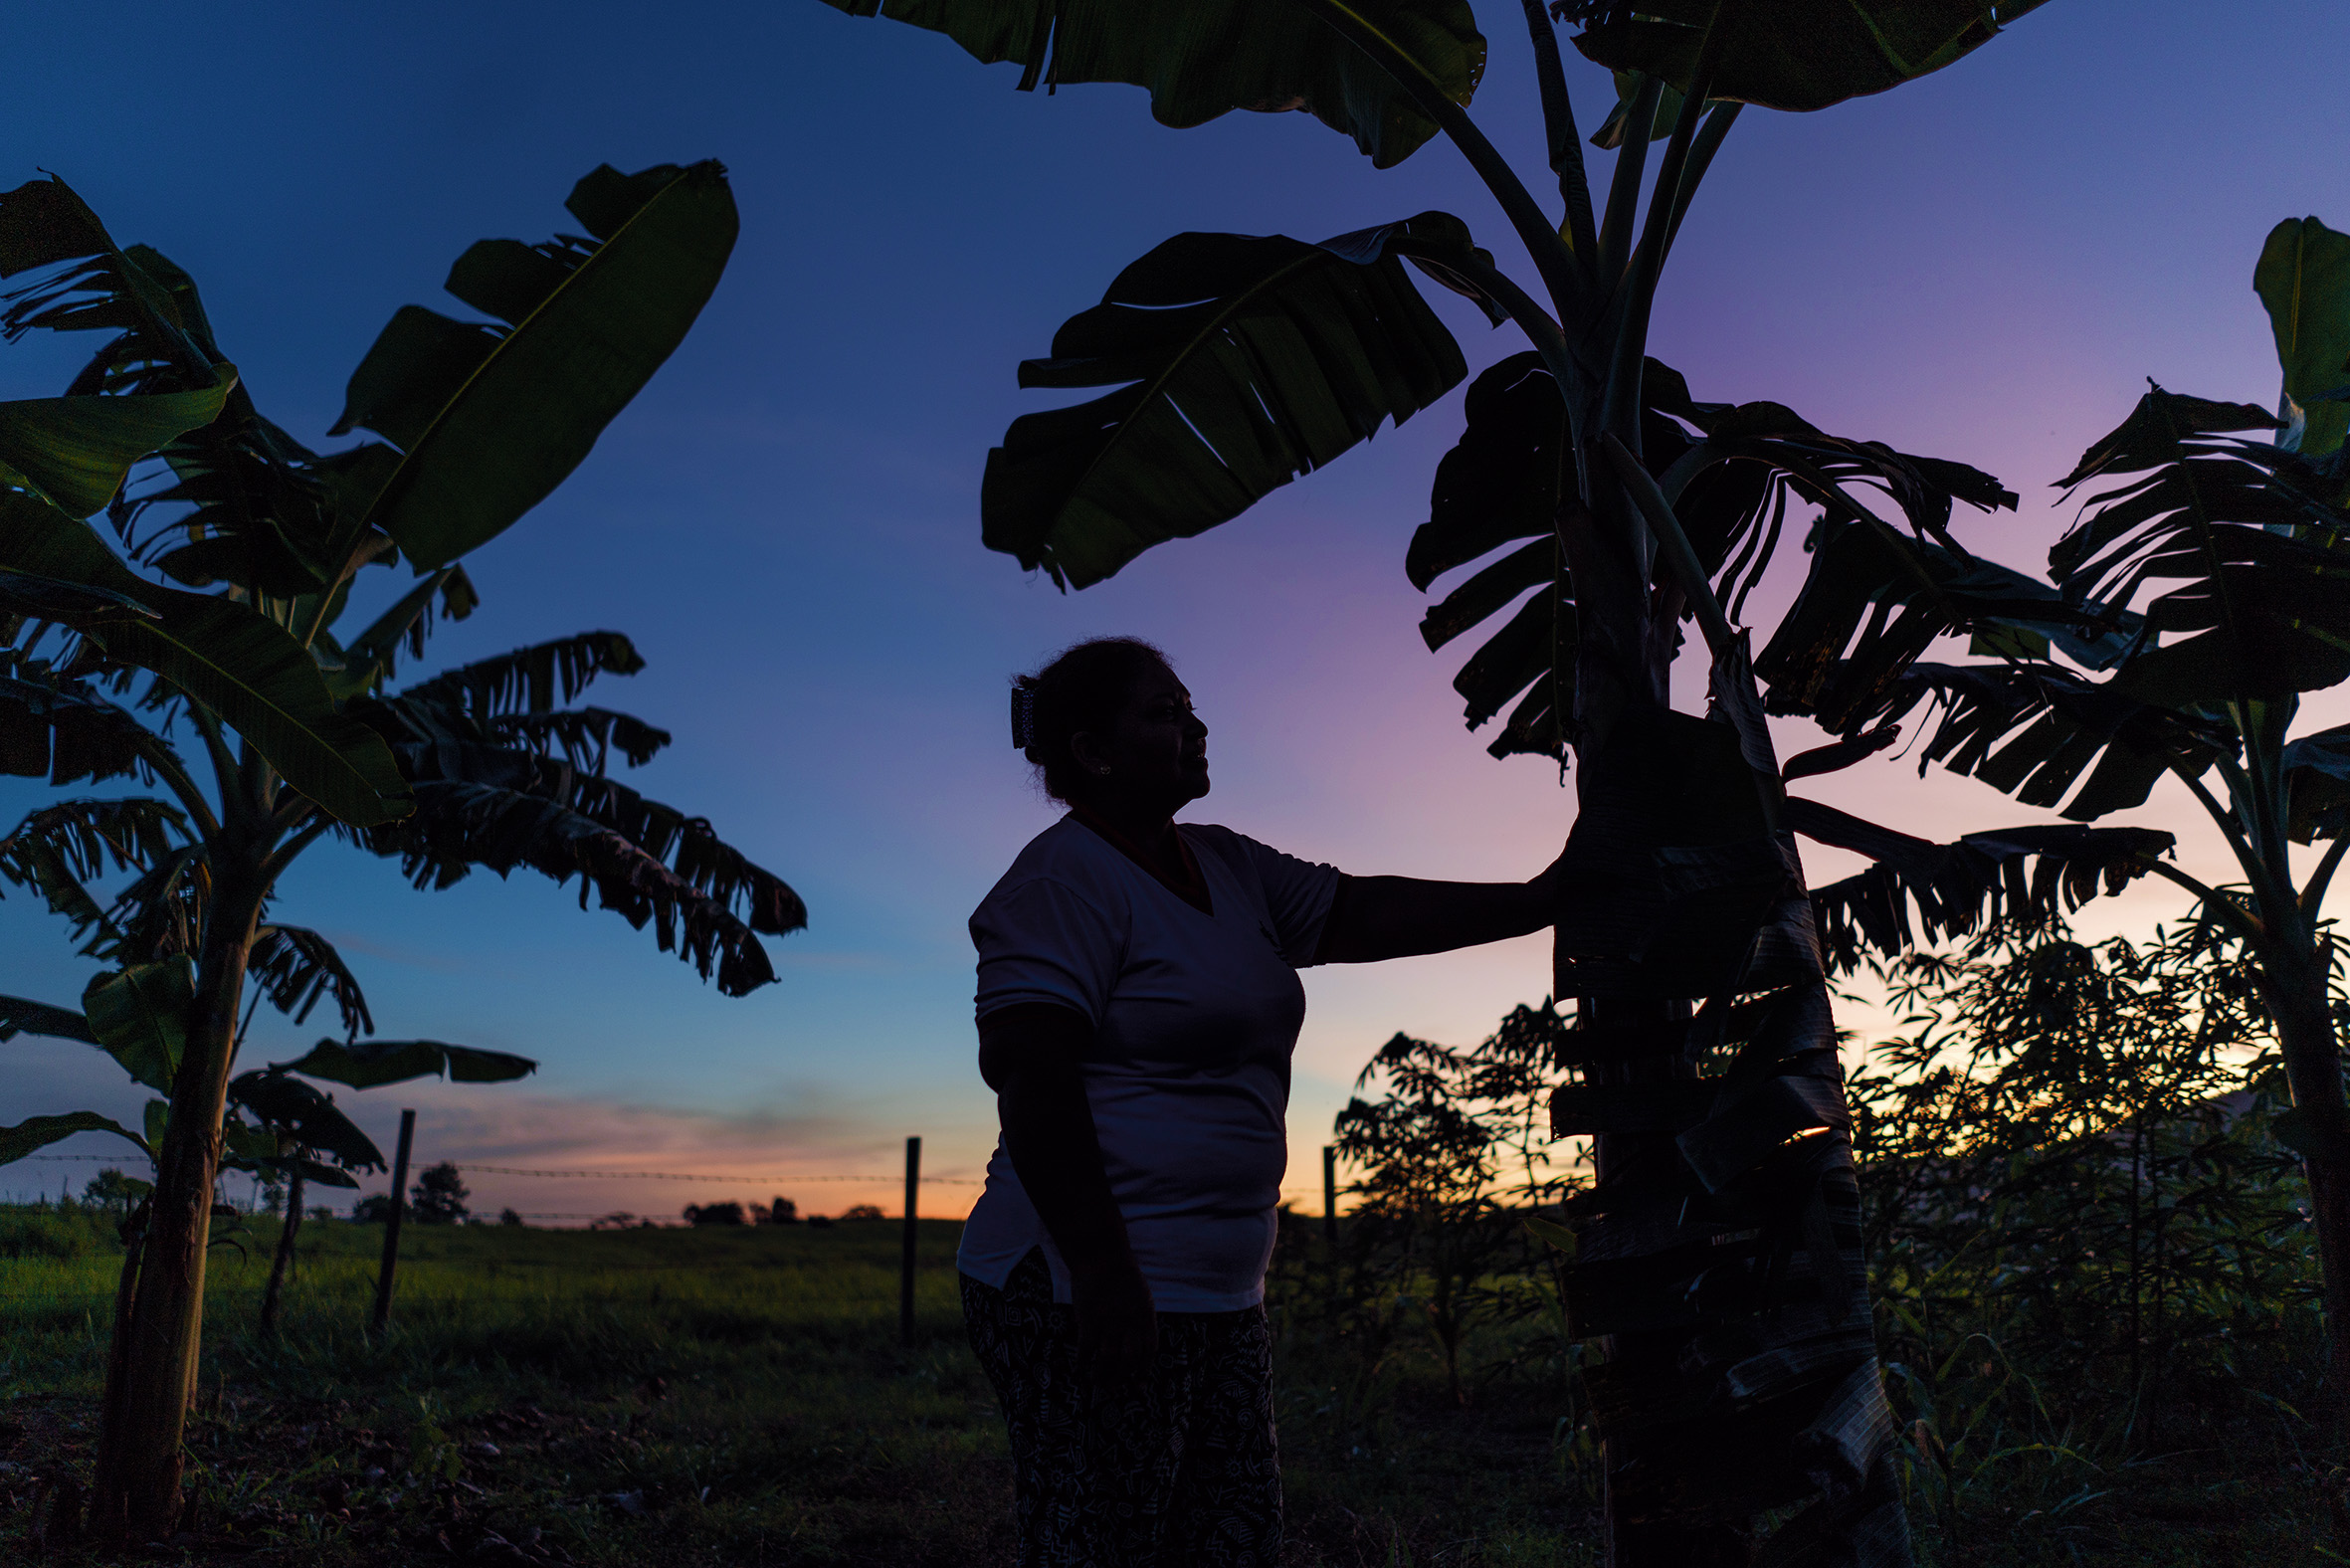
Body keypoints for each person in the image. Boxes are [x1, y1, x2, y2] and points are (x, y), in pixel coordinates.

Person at [959, 637, 1580, 1568]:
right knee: (1107, 1543)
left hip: (1216, 1291)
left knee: (1232, 1539)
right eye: (1166, 714)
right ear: (1092, 753)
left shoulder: (1224, 865)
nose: (1198, 728)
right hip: (1079, 1286)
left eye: (1189, 707)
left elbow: (1360, 913)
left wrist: (1541, 901)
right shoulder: (1060, 883)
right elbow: (1033, 1084)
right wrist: (1106, 1277)